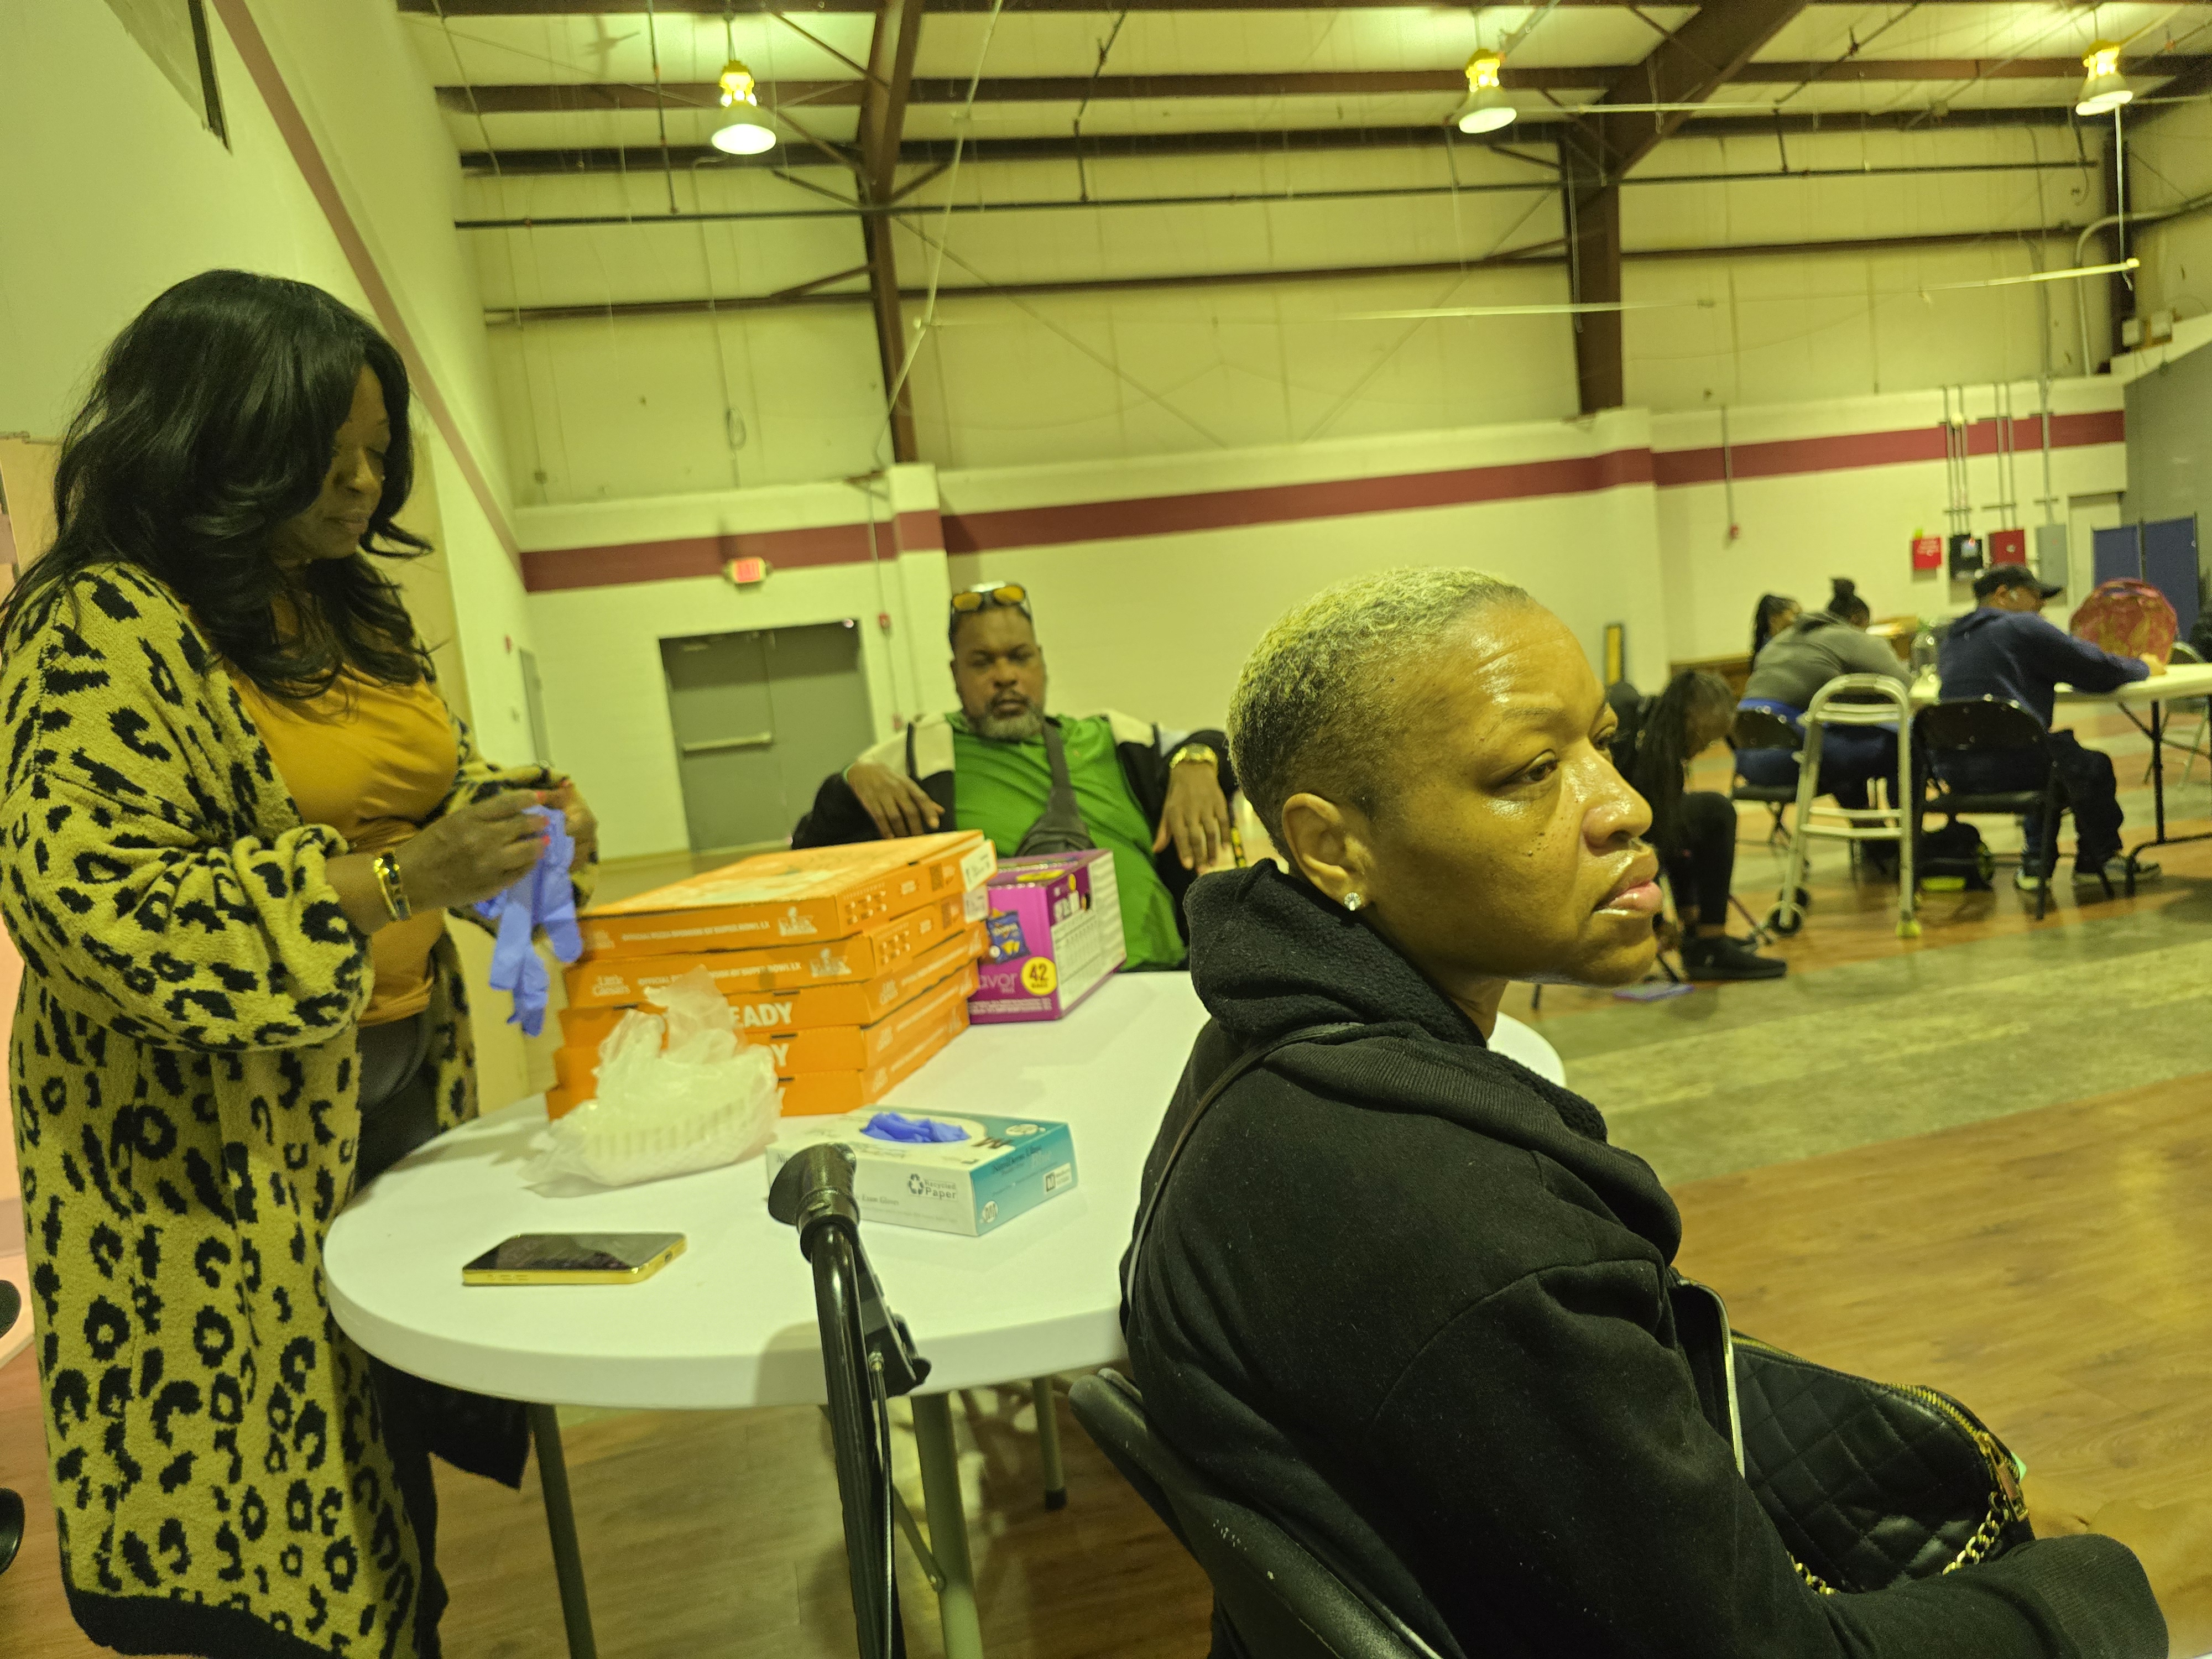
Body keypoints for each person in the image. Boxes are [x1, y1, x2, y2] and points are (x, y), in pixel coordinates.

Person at [1123, 566, 2205, 1659]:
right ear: (1334, 846)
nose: (1622, 805)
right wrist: (2083, 1597)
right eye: (1532, 771)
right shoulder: (1459, 1225)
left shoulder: (1254, 1057)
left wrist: (1968, 1476)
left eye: (1598, 740)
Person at [0, 270, 598, 1659]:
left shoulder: (334, 601)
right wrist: (405, 879)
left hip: (381, 1117)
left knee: (385, 1507)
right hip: (209, 1182)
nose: (360, 486)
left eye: (377, 453)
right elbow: (96, 903)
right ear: (220, 441)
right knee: (286, 1548)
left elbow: (384, 787)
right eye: (328, 456)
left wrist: (518, 809)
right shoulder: (100, 626)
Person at [791, 582, 1235, 967]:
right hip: (1012, 1002)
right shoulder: (916, 758)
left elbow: (1226, 747)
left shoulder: (1113, 738)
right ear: (955, 674)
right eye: (982, 662)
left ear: (1041, 662)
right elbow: (810, 854)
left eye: (1019, 657)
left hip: (1160, 976)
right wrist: (849, 781)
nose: (1005, 676)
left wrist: (1195, 761)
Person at [1939, 565, 2164, 893]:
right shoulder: (2023, 627)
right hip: (2017, 768)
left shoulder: (1952, 637)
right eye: (2036, 595)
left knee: (2049, 754)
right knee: (2086, 765)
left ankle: (2035, 864)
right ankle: (2098, 861)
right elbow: (2095, 668)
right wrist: (2144, 667)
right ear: (2004, 594)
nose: (2042, 605)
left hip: (1956, 772)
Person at [1612, 670, 1785, 979]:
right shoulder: (1636, 748)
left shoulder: (1654, 732)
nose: (1704, 749)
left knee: (1695, 815)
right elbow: (1635, 842)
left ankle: (1700, 936)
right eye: (1705, 739)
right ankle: (1710, 944)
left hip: (1632, 831)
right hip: (1610, 840)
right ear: (1690, 717)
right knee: (1716, 813)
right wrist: (1653, 923)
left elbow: (1668, 830)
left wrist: (1681, 918)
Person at [1737, 576, 1906, 834]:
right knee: (1905, 746)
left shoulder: (1779, 642)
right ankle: (1909, 843)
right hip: (1789, 757)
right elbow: (1904, 683)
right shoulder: (1848, 637)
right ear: (1858, 620)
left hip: (1748, 759)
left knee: (1841, 751)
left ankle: (1876, 842)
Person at [1752, 592, 1802, 658]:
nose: (1802, 619)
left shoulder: (1788, 644)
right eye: (1796, 615)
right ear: (1774, 620)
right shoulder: (1769, 652)